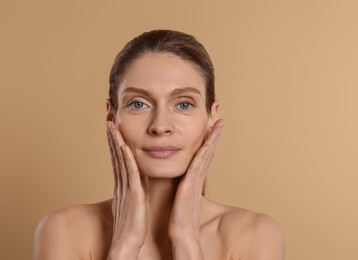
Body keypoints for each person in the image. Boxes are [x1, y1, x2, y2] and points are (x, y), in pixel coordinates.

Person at [34, 29, 285, 260]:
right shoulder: (64, 230)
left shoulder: (255, 235)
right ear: (112, 116)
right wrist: (125, 246)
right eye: (138, 104)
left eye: (184, 104)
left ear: (211, 117)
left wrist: (186, 241)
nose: (160, 126)